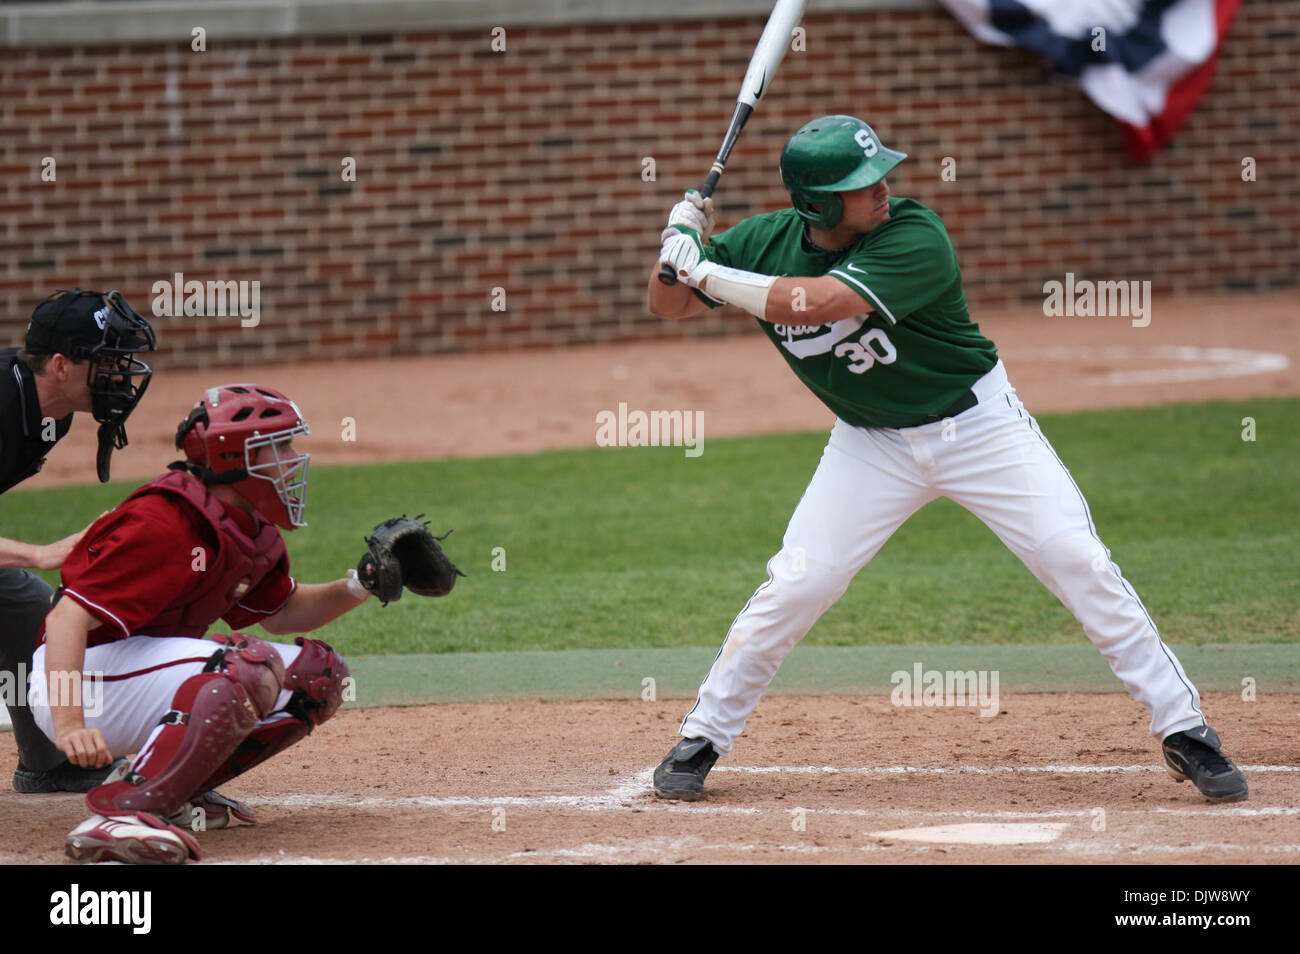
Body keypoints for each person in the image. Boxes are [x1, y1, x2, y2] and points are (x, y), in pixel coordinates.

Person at [645, 115, 1247, 805]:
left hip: (980, 429)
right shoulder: (762, 242)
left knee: (1076, 557)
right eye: (858, 183)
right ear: (815, 204)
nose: (880, 189)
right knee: (799, 583)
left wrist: (707, 270)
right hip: (870, 444)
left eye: (879, 173)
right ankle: (702, 737)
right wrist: (676, 244)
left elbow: (818, 302)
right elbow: (667, 305)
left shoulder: (915, 233)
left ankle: (1185, 728)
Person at [30, 383, 373, 864]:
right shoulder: (165, 520)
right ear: (235, 456)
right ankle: (118, 816)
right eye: (278, 446)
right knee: (244, 665)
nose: (294, 458)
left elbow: (283, 612)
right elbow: (67, 616)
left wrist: (365, 584)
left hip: (130, 677)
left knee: (317, 676)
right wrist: (69, 724)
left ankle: (170, 789)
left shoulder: (247, 525)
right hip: (78, 680)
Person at [1, 288, 155, 794]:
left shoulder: (52, 414)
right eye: (105, 360)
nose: (117, 374)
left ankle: (48, 761)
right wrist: (40, 554)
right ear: (63, 366)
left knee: (26, 606)